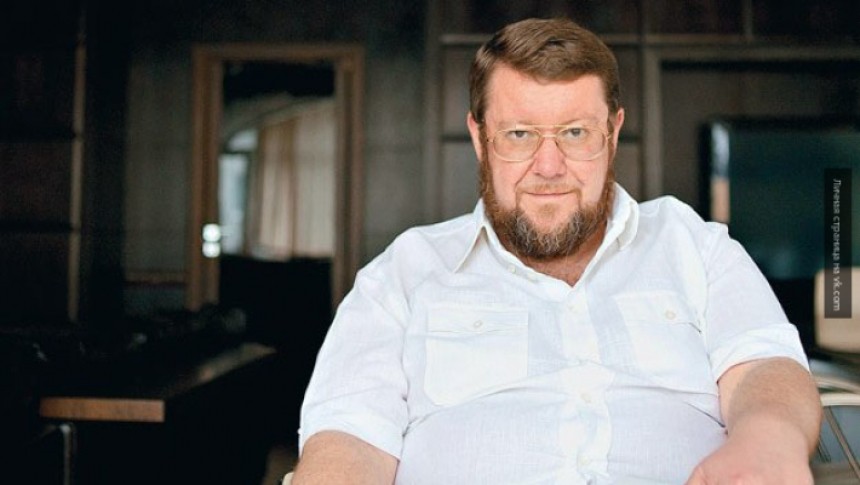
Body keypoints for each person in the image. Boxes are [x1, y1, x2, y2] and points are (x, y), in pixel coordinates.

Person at [292, 17, 821, 484]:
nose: (548, 167)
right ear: (479, 137)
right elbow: (348, 440)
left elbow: (764, 367)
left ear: (612, 132)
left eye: (574, 133)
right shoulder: (402, 274)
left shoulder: (695, 244)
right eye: (520, 134)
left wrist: (768, 437)